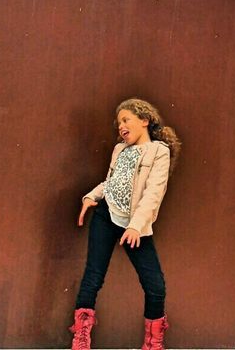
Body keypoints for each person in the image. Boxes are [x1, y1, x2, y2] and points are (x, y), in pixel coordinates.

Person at [70, 98, 181, 350]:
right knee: (93, 277)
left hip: (134, 225)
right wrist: (91, 196)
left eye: (126, 119)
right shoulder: (119, 149)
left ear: (145, 120)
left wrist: (135, 226)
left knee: (155, 285)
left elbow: (153, 193)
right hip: (105, 217)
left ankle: (153, 344)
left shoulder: (158, 152)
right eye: (119, 122)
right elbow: (112, 182)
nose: (121, 126)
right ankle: (81, 340)